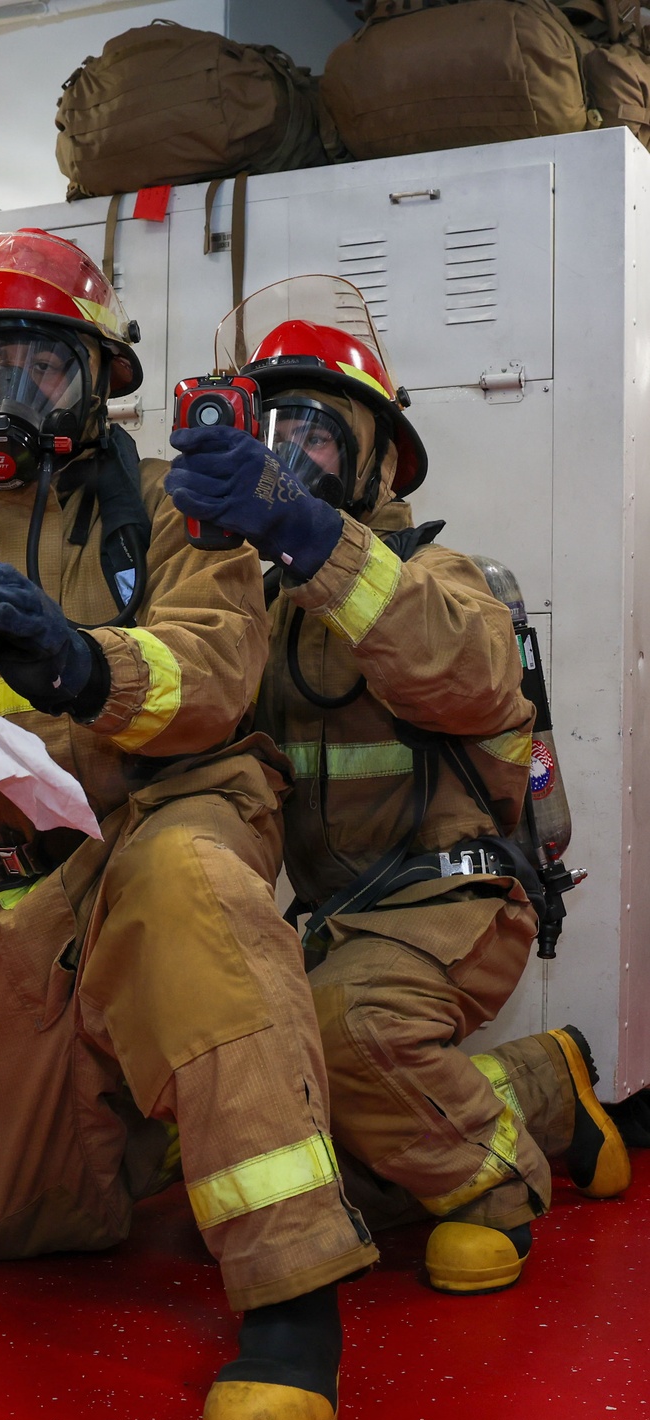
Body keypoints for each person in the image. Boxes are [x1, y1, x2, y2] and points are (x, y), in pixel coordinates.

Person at [0, 229, 393, 1420]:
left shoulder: (179, 505)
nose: (10, 397)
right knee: (3, 1222)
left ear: (97, 380)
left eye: (42, 367)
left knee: (194, 907)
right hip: (25, 861)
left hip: (171, 806)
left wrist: (77, 662)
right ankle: (163, 1119)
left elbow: (218, 671)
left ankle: (289, 1307)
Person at [165, 274, 630, 1308]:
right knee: (244, 1074)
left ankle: (498, 1185)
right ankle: (545, 1084)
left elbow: (465, 671)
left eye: (318, 434)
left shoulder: (443, 576)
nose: (289, 455)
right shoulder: (249, 603)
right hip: (336, 920)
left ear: (376, 460)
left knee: (344, 1030)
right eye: (269, 427)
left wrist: (308, 535)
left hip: (456, 900)